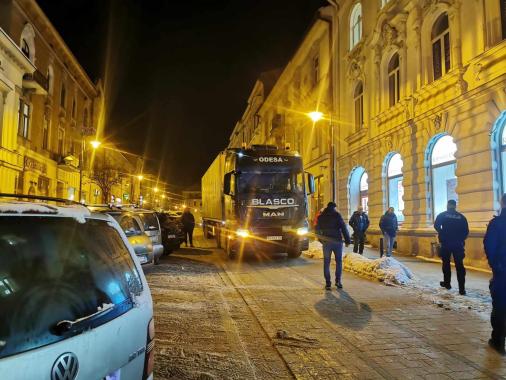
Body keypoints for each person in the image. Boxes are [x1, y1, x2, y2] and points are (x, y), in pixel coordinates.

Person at [484, 194, 506, 355]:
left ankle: (498, 340)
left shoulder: (497, 223)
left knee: (499, 305)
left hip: (502, 271)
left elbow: (489, 245)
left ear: (502, 203)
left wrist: (495, 266)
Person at [433, 200, 469, 295]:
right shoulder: (461, 217)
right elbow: (466, 231)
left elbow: (436, 225)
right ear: (455, 206)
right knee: (459, 265)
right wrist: (460, 239)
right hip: (458, 244)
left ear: (448, 205)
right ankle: (462, 289)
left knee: (446, 263)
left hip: (446, 243)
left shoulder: (443, 215)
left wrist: (442, 233)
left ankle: (447, 283)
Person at [316, 202, 351, 290]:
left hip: (327, 243)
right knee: (339, 262)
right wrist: (347, 240)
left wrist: (322, 240)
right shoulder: (337, 215)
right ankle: (338, 281)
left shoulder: (321, 217)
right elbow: (344, 228)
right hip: (337, 242)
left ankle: (328, 283)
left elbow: (317, 230)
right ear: (334, 207)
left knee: (326, 263)